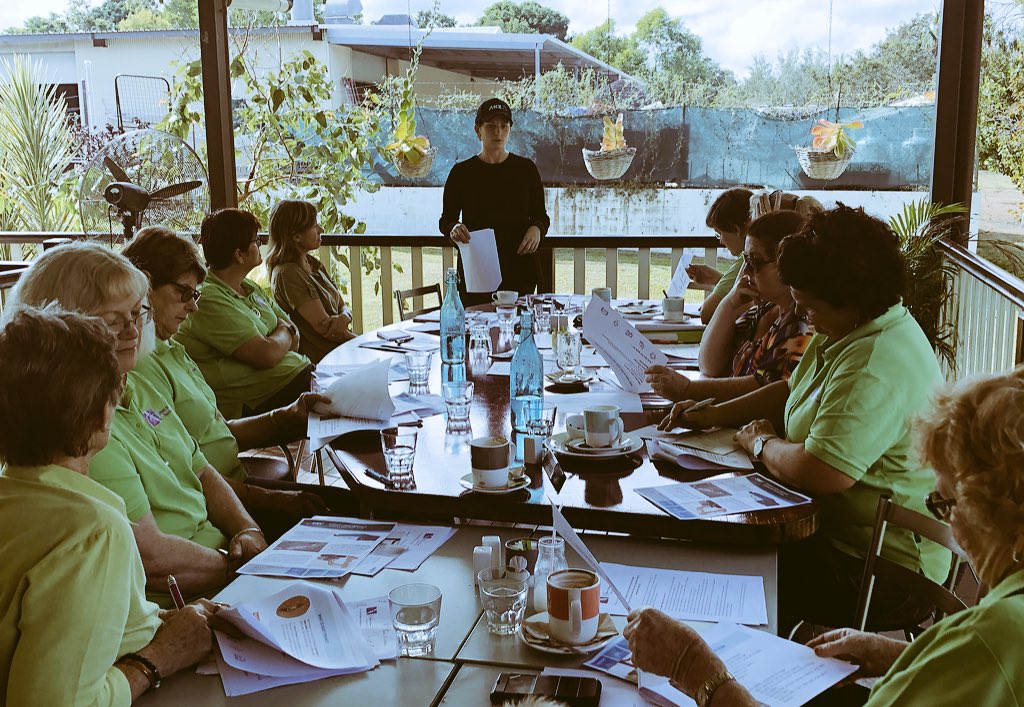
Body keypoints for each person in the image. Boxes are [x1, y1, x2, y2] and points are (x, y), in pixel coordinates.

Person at [625, 368, 1024, 706]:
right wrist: (900, 655)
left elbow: (990, 652)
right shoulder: (1000, 627)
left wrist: (694, 669)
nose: (949, 522)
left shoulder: (999, 635)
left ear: (1002, 512)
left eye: (946, 501)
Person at [660, 204, 950, 628]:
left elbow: (822, 471)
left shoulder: (874, 359)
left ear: (849, 297)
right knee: (706, 544)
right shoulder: (849, 328)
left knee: (717, 574)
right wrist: (711, 416)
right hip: (828, 535)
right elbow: (788, 389)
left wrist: (762, 443)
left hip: (881, 571)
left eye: (809, 306)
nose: (803, 317)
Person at [7, 242, 267, 604]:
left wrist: (247, 529)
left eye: (136, 313)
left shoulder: (139, 381)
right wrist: (244, 567)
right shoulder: (79, 428)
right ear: (63, 328)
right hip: (186, 603)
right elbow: (153, 559)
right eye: (112, 321)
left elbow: (202, 470)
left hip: (227, 565)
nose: (132, 330)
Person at [0, 307, 218, 705]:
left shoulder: (15, 497)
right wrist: (158, 658)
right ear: (101, 415)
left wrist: (161, 622)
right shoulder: (92, 531)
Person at [122, 226, 330, 527]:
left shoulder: (174, 349)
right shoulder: (140, 368)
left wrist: (288, 416)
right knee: (356, 514)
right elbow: (187, 475)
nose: (193, 306)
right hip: (222, 511)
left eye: (195, 294)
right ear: (142, 287)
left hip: (237, 488)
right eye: (183, 293)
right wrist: (271, 500)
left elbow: (219, 432)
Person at [646, 210, 813, 403]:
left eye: (754, 262)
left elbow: (765, 390)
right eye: (745, 261)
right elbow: (709, 364)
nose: (746, 271)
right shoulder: (764, 309)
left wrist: (688, 390)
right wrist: (730, 304)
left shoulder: (802, 324)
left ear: (785, 264)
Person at [175, 208, 313, 418]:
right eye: (255, 241)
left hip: (294, 379)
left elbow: (293, 334)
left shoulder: (247, 286)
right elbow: (266, 355)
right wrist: (280, 334)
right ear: (239, 254)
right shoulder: (208, 298)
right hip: (252, 403)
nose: (260, 246)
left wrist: (277, 340)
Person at [439, 97, 551, 306]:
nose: (498, 132)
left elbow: (541, 216)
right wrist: (454, 228)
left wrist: (537, 228)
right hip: (477, 272)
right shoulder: (461, 173)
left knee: (519, 331)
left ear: (510, 129)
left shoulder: (526, 170)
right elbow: (446, 220)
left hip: (520, 270)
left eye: (504, 126)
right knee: (476, 333)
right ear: (477, 130)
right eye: (491, 126)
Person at [266, 200, 355, 363]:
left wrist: (345, 316)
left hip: (341, 351)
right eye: (314, 226)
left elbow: (343, 305)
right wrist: (363, 343)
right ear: (296, 236)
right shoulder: (287, 274)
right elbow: (326, 328)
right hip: (323, 361)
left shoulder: (312, 263)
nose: (320, 229)